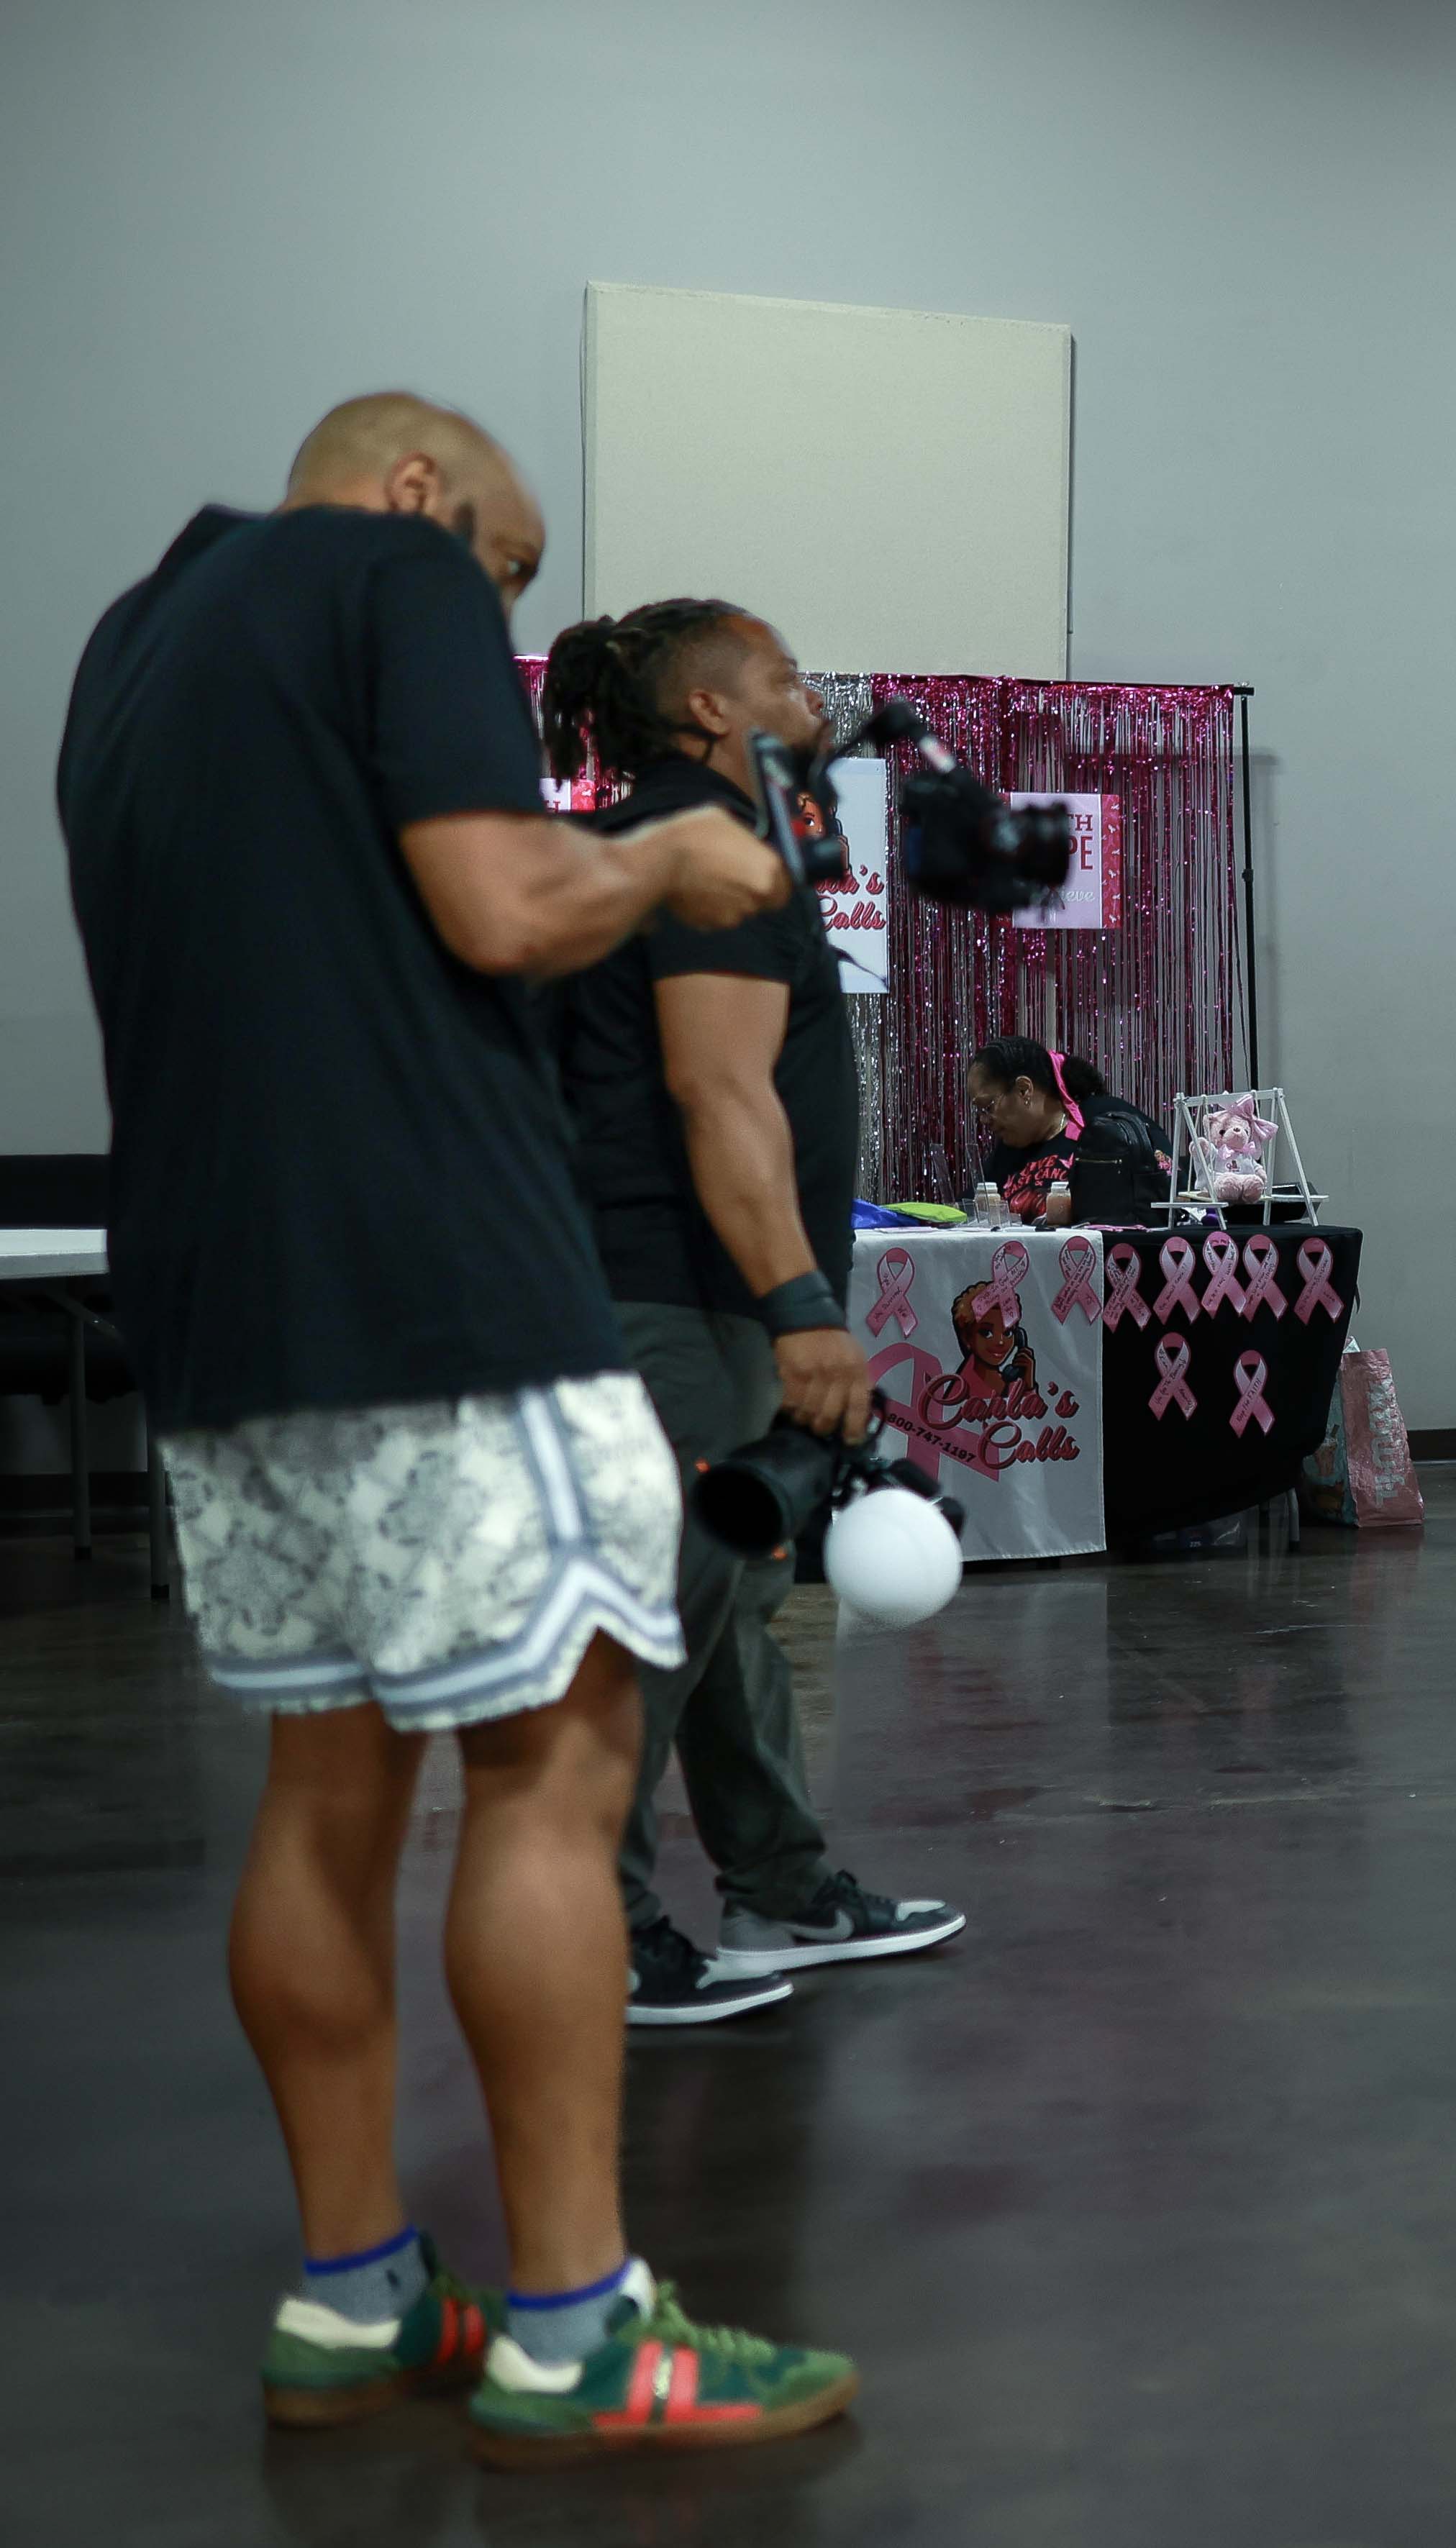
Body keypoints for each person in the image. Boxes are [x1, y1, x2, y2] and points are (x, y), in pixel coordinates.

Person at [58, 393, 855, 2458]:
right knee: (557, 1763)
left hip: (224, 1303)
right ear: (421, 492)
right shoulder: (386, 570)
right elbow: (501, 904)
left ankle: (351, 2296)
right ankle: (578, 2327)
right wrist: (668, 853)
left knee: (327, 1790)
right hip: (441, 1280)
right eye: (505, 566)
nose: (494, 612)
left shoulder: (137, 638)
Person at [544, 600, 968, 2027]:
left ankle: (779, 1881)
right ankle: (591, 1933)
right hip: (675, 1295)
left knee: (723, 1606)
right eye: (780, 679)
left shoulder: (696, 840)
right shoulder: (701, 855)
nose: (811, 700)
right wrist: (800, 1308)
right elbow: (715, 1090)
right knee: (653, 1614)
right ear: (710, 710)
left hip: (687, 1291)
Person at [967, 1034, 1174, 1227]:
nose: (984, 1120)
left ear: (1024, 1089)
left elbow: (1171, 1196)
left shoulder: (1108, 1126)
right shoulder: (1006, 1153)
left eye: (988, 1107)